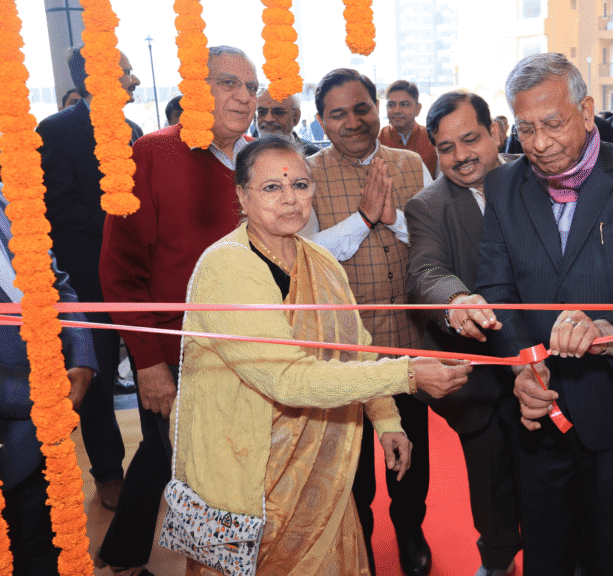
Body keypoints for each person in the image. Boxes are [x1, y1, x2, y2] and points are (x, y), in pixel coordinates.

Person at [176, 135, 470, 576]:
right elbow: (288, 380)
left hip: (319, 468)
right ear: (241, 195)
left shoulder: (321, 261)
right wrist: (407, 375)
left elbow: (356, 347)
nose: (290, 199)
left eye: (300, 184)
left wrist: (387, 420)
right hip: (247, 470)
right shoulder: (226, 268)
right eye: (272, 187)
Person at [476, 53, 613, 575]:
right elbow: (496, 291)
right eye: (525, 129)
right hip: (538, 411)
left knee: (610, 559)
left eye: (553, 124)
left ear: (588, 110)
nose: (540, 143)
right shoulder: (504, 186)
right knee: (545, 558)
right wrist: (524, 365)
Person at [97, 45, 258, 576]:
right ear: (195, 89)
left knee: (189, 461)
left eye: (251, 87)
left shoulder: (259, 160)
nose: (243, 96)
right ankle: (204, 565)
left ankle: (125, 556)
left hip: (251, 353)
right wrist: (147, 363)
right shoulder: (154, 153)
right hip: (176, 356)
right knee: (191, 467)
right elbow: (120, 272)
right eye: (229, 83)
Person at [0, 75, 97, 576]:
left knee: (46, 555)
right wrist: (24, 396)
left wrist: (80, 356)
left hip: (45, 434)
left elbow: (60, 286)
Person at [305, 68, 433, 576]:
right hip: (343, 350)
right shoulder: (306, 175)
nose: (353, 121)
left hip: (407, 337)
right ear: (320, 121)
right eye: (338, 113)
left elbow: (429, 240)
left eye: (362, 109)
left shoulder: (410, 164)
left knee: (411, 451)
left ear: (377, 108)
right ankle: (357, 543)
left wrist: (391, 216)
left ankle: (410, 529)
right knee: (353, 464)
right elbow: (307, 258)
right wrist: (361, 219)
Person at [405, 90, 522, 576]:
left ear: (495, 131)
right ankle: (496, 561)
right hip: (482, 378)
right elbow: (424, 271)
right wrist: (456, 303)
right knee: (490, 476)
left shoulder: (536, 177)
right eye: (445, 147)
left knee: (552, 472)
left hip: (554, 358)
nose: (460, 156)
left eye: (470, 139)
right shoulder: (428, 206)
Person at [36, 44, 142, 514]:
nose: (135, 79)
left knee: (152, 369)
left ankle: (163, 463)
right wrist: (121, 219)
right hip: (88, 281)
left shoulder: (135, 131)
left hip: (137, 280)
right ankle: (109, 473)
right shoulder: (55, 132)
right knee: (97, 380)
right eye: (127, 72)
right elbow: (57, 210)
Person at [379, 79, 438, 177]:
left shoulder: (433, 139)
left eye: (404, 104)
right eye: (391, 105)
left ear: (417, 109)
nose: (397, 110)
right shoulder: (377, 141)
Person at [256, 88, 320, 155]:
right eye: (262, 112)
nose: (268, 119)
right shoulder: (247, 155)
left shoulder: (314, 157)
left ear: (295, 117)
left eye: (278, 112)